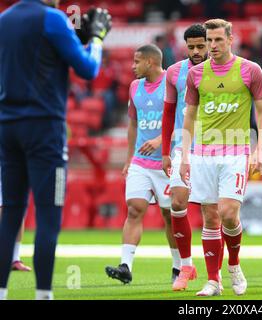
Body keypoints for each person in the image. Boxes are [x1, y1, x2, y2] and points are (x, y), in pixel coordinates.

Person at [0, 0, 111, 300]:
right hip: (44, 129)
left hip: (7, 127)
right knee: (49, 215)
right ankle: (44, 295)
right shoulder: (53, 19)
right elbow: (88, 69)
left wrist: (79, 39)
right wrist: (96, 40)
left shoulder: (4, 19)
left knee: (10, 214)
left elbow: (40, 60)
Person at [180, 19, 262, 296]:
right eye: (209, 40)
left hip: (235, 152)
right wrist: (184, 155)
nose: (213, 45)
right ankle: (213, 281)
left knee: (229, 214)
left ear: (231, 40)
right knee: (210, 218)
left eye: (218, 40)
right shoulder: (196, 74)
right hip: (203, 154)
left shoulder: (250, 70)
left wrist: (261, 148)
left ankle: (234, 264)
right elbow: (190, 116)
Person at [105, 44, 181, 285]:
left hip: (167, 162)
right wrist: (129, 159)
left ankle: (179, 267)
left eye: (137, 61)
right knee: (135, 208)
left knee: (170, 215)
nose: (132, 66)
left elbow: (183, 121)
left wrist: (161, 139)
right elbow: (133, 124)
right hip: (140, 162)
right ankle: (125, 266)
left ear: (150, 62)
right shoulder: (134, 87)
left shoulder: (172, 83)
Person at [161, 24, 208, 291]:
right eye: (191, 47)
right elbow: (168, 113)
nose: (196, 51)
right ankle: (185, 265)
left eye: (200, 46)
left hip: (216, 147)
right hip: (183, 146)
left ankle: (223, 271)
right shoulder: (174, 72)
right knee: (177, 203)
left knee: (214, 213)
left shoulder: (221, 71)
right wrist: (166, 151)